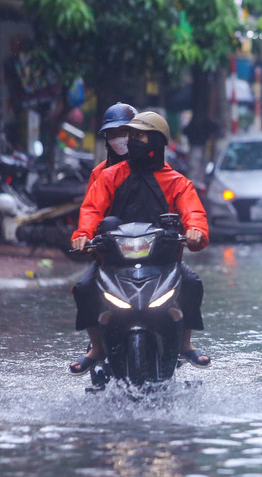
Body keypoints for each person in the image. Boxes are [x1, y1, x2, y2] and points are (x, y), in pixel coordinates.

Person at [68, 111, 211, 375]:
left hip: (163, 261)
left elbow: (194, 213)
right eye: (130, 135)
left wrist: (195, 232)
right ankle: (97, 347)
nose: (132, 141)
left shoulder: (178, 182)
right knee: (83, 287)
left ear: (156, 141)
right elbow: (91, 210)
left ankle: (185, 343)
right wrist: (82, 235)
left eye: (139, 136)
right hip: (113, 261)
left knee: (192, 283)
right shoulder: (109, 176)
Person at [86, 102, 137, 193]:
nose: (118, 138)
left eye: (123, 132)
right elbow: (91, 206)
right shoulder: (99, 173)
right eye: (112, 134)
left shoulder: (152, 169)